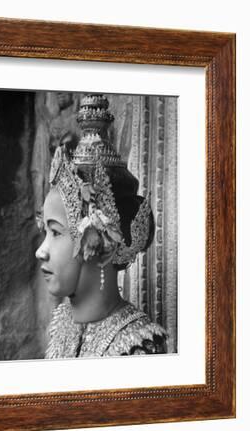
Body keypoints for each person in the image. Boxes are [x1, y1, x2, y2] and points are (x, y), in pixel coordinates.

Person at [35, 94, 167, 358]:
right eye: (45, 232)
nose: (41, 250)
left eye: (56, 232)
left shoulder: (137, 347)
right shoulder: (62, 324)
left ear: (104, 250)